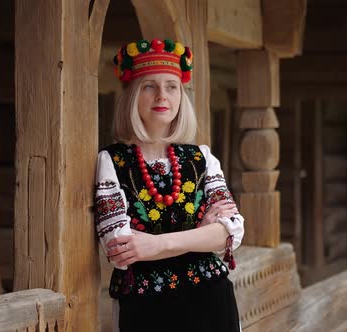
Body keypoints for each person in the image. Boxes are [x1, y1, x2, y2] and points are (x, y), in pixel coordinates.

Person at [94, 38, 244, 331]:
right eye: (150, 85)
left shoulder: (201, 158)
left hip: (212, 304)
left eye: (171, 86)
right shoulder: (112, 161)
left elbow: (232, 233)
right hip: (147, 311)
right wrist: (200, 234)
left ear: (180, 96)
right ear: (133, 95)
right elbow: (121, 251)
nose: (162, 95)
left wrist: (155, 243)